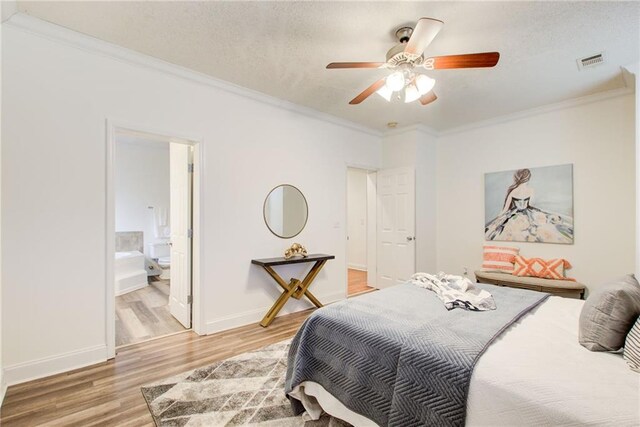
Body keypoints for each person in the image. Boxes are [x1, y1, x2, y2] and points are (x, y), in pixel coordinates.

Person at [485, 168, 573, 243]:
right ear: (528, 178)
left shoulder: (513, 191)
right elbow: (530, 204)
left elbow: (505, 209)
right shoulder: (530, 190)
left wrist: (497, 219)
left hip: (514, 215)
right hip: (528, 213)